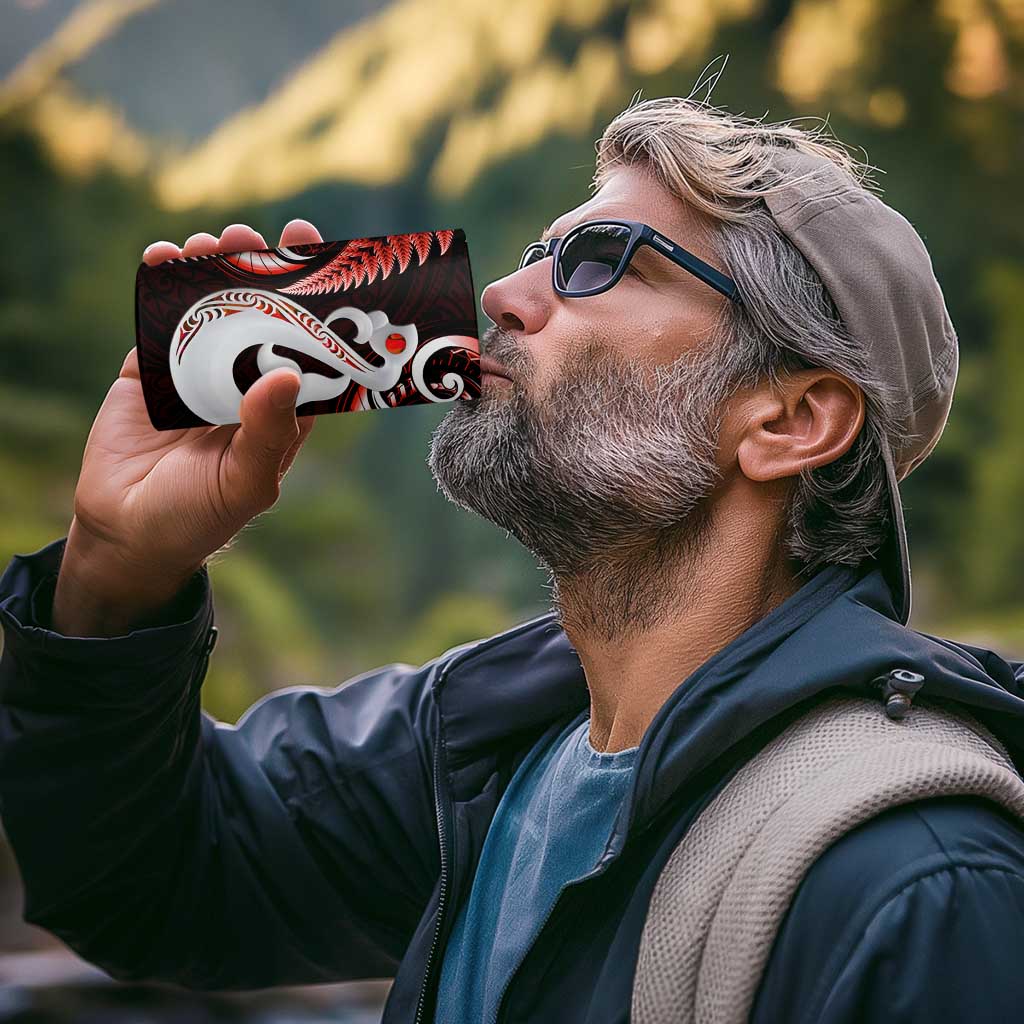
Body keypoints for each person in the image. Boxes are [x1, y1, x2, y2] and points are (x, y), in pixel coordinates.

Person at [2, 94, 1024, 1024]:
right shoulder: (480, 749)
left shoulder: (918, 884)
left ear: (790, 420)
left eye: (599, 261)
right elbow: (149, 880)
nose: (501, 291)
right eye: (540, 251)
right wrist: (116, 571)